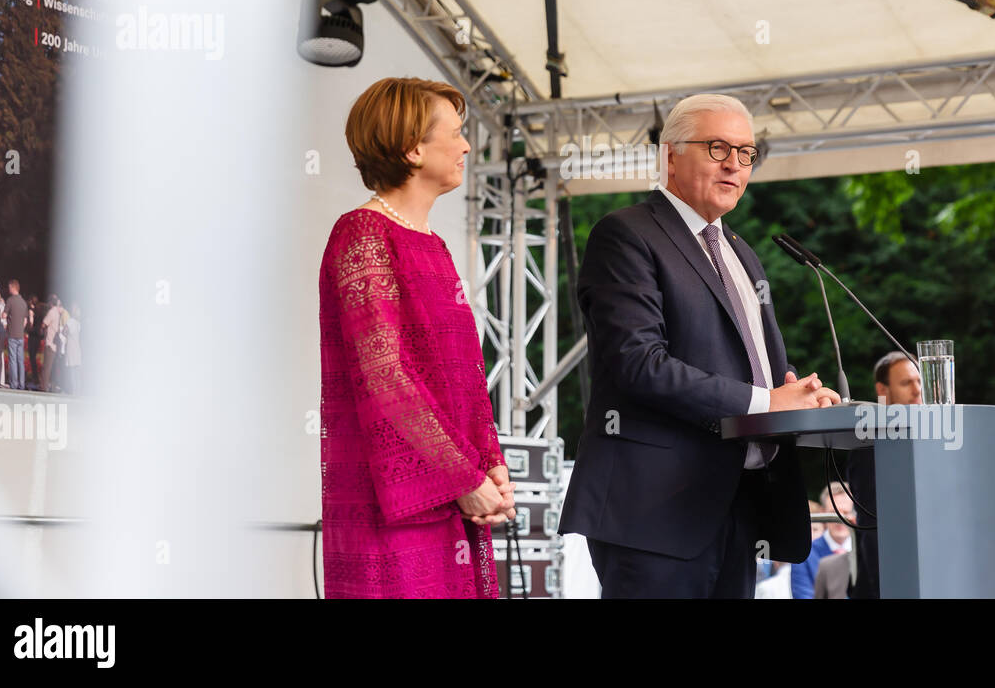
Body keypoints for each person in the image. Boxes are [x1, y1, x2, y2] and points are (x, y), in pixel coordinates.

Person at [559, 94, 840, 598]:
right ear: (670, 156)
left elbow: (755, 364)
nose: (735, 163)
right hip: (655, 512)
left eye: (747, 153)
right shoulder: (625, 234)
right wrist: (765, 402)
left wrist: (798, 394)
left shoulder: (742, 253)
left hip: (739, 505)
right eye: (717, 148)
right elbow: (638, 363)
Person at [318, 77, 514, 599]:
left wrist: (490, 465)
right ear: (412, 147)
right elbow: (384, 375)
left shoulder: (434, 244)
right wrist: (467, 479)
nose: (468, 146)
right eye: (456, 132)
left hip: (452, 491)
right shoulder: (363, 233)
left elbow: (467, 377)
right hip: (395, 504)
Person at [846, 350, 922, 598]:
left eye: (919, 380)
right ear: (883, 390)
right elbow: (873, 525)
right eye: (906, 383)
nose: (917, 389)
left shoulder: (934, 436)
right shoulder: (869, 444)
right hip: (887, 582)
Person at [3, 280, 28, 392]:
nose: (8, 289)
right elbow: (26, 321)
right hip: (20, 335)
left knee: (12, 360)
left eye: (9, 287)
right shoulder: (23, 302)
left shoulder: (10, 301)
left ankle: (14, 384)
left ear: (13, 287)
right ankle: (21, 384)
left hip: (12, 334)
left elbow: (4, 315)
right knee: (20, 361)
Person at [41, 295, 63, 393]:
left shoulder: (51, 312)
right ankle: (53, 387)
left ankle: (43, 387)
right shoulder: (58, 313)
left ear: (50, 303)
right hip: (55, 345)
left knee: (47, 368)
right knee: (54, 368)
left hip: (50, 343)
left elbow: (44, 323)